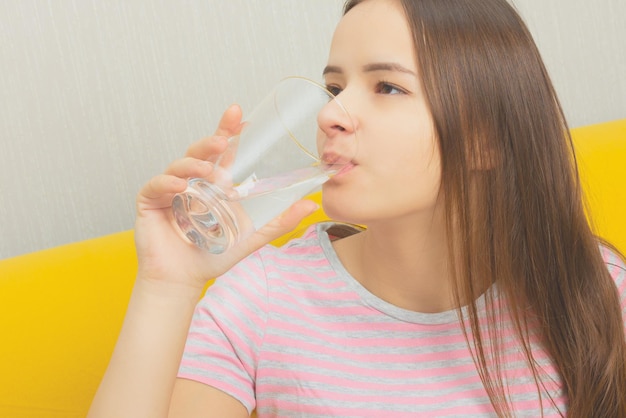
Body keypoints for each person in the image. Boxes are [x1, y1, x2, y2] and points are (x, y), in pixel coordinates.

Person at [88, 0, 626, 416]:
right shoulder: (263, 301)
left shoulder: (595, 289)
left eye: (387, 86)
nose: (331, 115)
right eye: (333, 87)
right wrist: (166, 286)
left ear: (484, 139)